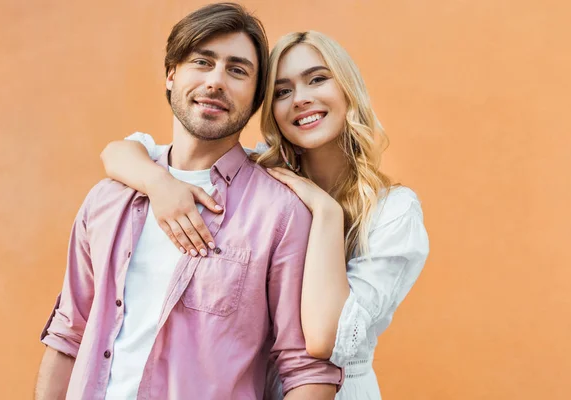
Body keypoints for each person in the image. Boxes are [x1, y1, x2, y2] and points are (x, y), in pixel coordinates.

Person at [35, 4, 343, 400]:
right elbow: (68, 334)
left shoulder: (281, 213)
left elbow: (306, 369)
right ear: (171, 74)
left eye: (237, 70)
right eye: (202, 61)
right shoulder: (108, 199)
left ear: (255, 97)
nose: (215, 82)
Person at [101, 29, 430, 400]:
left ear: (347, 89)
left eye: (317, 79)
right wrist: (160, 186)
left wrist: (325, 211)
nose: (301, 99)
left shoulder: (393, 212)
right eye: (283, 91)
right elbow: (120, 152)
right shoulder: (264, 177)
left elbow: (323, 339)